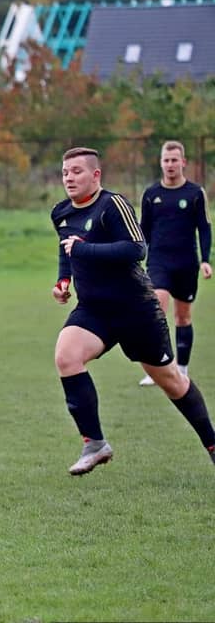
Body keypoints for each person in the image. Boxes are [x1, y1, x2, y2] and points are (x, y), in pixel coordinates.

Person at [51, 147, 215, 475]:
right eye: (65, 172)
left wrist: (85, 249)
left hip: (135, 309)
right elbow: (67, 251)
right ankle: (94, 443)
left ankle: (212, 444)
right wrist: (63, 281)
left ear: (96, 175)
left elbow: (136, 248)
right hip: (94, 310)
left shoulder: (112, 205)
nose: (69, 177)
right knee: (66, 357)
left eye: (77, 171)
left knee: (171, 381)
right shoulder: (61, 213)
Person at [136, 141, 211, 386]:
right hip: (158, 261)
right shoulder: (151, 194)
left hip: (186, 263)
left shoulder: (195, 193)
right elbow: (143, 231)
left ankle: (182, 369)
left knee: (182, 317)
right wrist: (134, 258)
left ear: (183, 162)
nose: (170, 164)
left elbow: (204, 228)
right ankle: (158, 369)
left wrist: (205, 260)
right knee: (157, 308)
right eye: (166, 160)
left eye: (174, 160)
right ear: (161, 163)